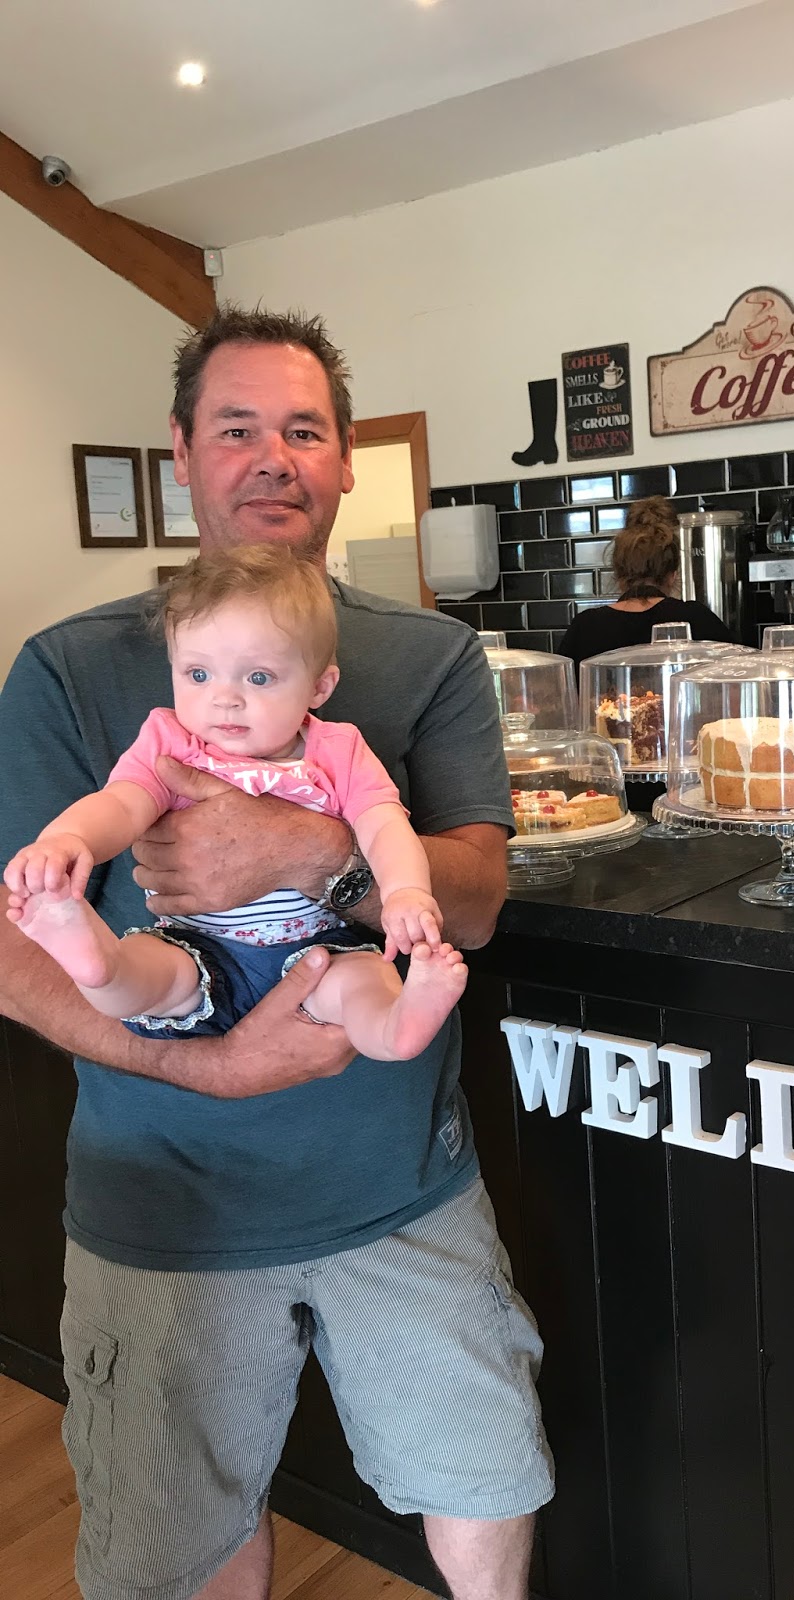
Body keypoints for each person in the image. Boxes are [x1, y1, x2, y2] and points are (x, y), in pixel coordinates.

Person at [0, 306, 553, 1600]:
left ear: (345, 458)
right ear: (182, 452)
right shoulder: (72, 672)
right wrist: (209, 1067)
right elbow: (10, 940)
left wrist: (310, 856)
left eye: (303, 430)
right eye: (236, 427)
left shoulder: (427, 658)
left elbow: (476, 900)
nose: (271, 457)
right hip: (162, 1209)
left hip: (403, 1188)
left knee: (484, 1476)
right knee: (180, 1543)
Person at [5, 545, 467, 1062]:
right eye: (198, 675)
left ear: (319, 686)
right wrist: (69, 840)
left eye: (258, 677)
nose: (224, 697)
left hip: (318, 947)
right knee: (146, 976)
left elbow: (383, 826)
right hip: (196, 945)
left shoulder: (337, 751)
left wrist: (405, 892)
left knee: (364, 980)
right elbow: (121, 804)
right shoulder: (173, 743)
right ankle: (96, 964)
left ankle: (396, 1027)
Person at [556, 493, 735, 673]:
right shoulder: (697, 618)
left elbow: (558, 687)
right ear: (672, 575)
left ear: (618, 574)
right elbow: (736, 677)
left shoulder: (586, 627)